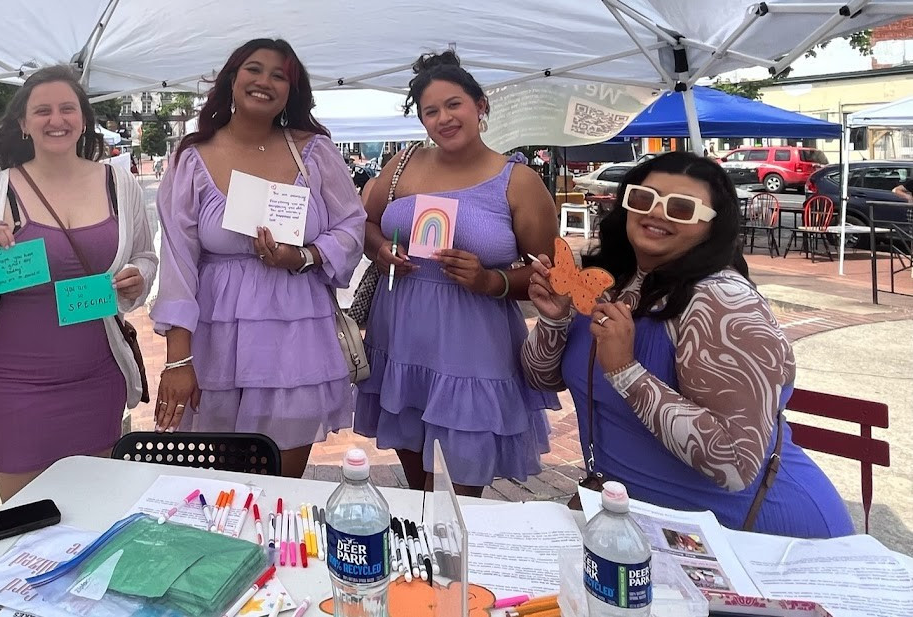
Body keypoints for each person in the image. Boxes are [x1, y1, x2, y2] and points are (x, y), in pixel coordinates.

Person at [521, 151, 853, 538]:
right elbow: (541, 379)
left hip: (752, 536)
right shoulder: (609, 282)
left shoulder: (725, 301)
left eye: (681, 207)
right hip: (645, 527)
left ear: (713, 225)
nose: (656, 213)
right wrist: (554, 319)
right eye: (643, 199)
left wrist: (626, 373)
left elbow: (736, 463)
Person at [152, 37, 366, 478]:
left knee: (282, 482)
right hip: (218, 339)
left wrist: (304, 257)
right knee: (223, 483)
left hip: (296, 336)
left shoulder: (314, 152)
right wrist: (178, 359)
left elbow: (352, 226)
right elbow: (177, 263)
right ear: (232, 79)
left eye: (279, 75)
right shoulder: (192, 159)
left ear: (291, 91)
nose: (264, 81)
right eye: (254, 69)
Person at [0, 65, 157, 501]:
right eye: (42, 111)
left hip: (98, 382)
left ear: (83, 120)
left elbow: (145, 257)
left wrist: (138, 280)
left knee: (96, 515)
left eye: (67, 109)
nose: (56, 119)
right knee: (29, 521)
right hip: (14, 390)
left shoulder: (120, 184)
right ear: (23, 124)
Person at [354, 51, 560, 495]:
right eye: (431, 111)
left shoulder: (517, 181)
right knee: (418, 481)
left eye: (454, 105)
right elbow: (367, 224)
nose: (444, 119)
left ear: (480, 105)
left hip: (472, 347)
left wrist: (491, 281)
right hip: (401, 335)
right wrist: (381, 249)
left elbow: (551, 274)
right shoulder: (403, 164)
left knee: (456, 492)